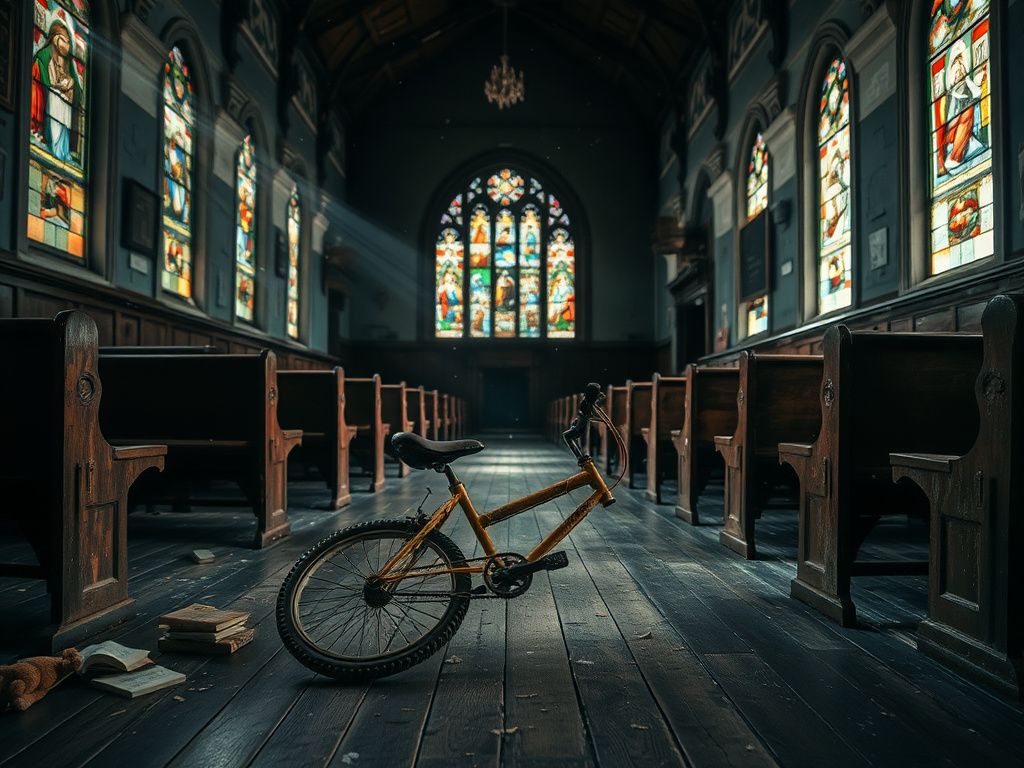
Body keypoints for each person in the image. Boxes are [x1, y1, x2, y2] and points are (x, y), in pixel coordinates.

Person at [31, 20, 83, 164]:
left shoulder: (68, 64)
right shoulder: (43, 57)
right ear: (54, 39)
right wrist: (58, 87)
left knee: (63, 134)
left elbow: (78, 94)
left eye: (68, 42)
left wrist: (71, 85)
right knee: (55, 130)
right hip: (51, 106)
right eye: (64, 40)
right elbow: (41, 80)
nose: (67, 45)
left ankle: (63, 154)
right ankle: (53, 150)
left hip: (64, 108)